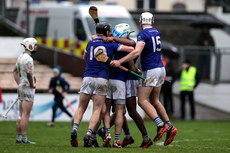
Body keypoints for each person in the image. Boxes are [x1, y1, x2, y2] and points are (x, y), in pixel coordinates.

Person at [110, 12, 177, 146]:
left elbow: (136, 52)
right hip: (160, 68)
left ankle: (160, 125)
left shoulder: (142, 34)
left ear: (140, 21)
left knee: (142, 101)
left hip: (151, 70)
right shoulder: (156, 32)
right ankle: (169, 126)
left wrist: (119, 61)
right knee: (155, 100)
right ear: (152, 21)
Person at [70, 22, 134, 147]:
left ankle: (75, 130)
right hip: (102, 79)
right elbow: (131, 49)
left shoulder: (90, 43)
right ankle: (88, 134)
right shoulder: (110, 44)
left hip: (87, 77)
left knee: (81, 108)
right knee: (97, 110)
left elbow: (85, 57)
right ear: (106, 33)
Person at [101, 23, 152, 148]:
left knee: (130, 111)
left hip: (128, 80)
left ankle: (145, 138)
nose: (129, 36)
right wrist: (137, 70)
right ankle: (127, 136)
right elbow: (133, 67)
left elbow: (132, 66)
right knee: (120, 111)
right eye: (128, 34)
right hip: (123, 79)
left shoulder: (127, 44)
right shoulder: (123, 44)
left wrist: (136, 70)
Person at [13, 37, 37, 144]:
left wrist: (19, 84)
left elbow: (14, 71)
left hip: (21, 86)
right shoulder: (28, 59)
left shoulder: (20, 57)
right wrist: (32, 84)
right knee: (25, 114)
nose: (36, 47)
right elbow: (29, 73)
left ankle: (19, 137)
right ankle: (24, 138)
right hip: (27, 88)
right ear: (30, 46)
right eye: (35, 45)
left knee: (20, 114)